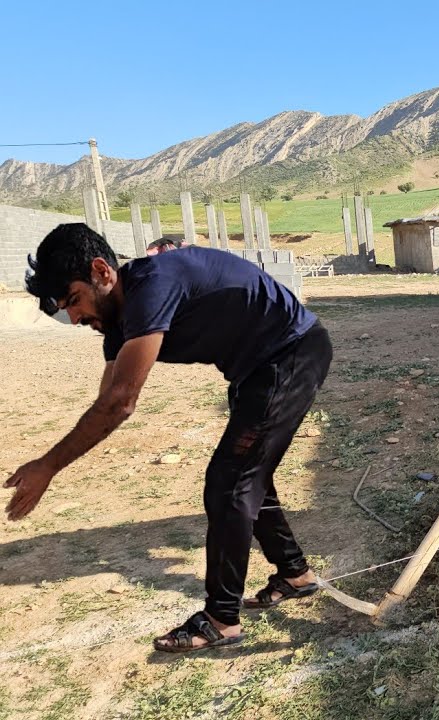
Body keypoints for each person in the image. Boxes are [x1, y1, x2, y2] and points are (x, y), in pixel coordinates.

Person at [6, 223, 331, 653]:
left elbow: (121, 403)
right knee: (250, 475)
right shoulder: (117, 321)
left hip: (291, 354)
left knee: (229, 483)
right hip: (255, 369)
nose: (74, 317)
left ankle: (221, 619)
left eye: (73, 301)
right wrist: (54, 462)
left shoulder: (154, 285)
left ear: (102, 272)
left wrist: (48, 465)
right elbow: (108, 399)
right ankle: (295, 575)